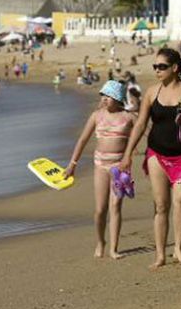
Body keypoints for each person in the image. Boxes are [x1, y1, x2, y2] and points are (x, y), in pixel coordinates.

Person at [119, 48, 181, 268]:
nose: (157, 70)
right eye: (155, 66)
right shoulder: (152, 92)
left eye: (161, 66)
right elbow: (141, 124)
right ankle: (160, 254)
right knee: (161, 205)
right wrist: (128, 154)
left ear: (175, 68)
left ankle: (179, 250)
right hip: (157, 154)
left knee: (180, 200)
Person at [64, 80, 137, 259]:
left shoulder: (129, 117)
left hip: (120, 167)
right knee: (100, 209)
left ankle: (114, 248)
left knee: (116, 206)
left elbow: (145, 132)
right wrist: (72, 164)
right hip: (100, 166)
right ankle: (100, 241)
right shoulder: (97, 116)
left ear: (118, 98)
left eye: (109, 96)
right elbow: (82, 140)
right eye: (103, 95)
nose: (104, 99)